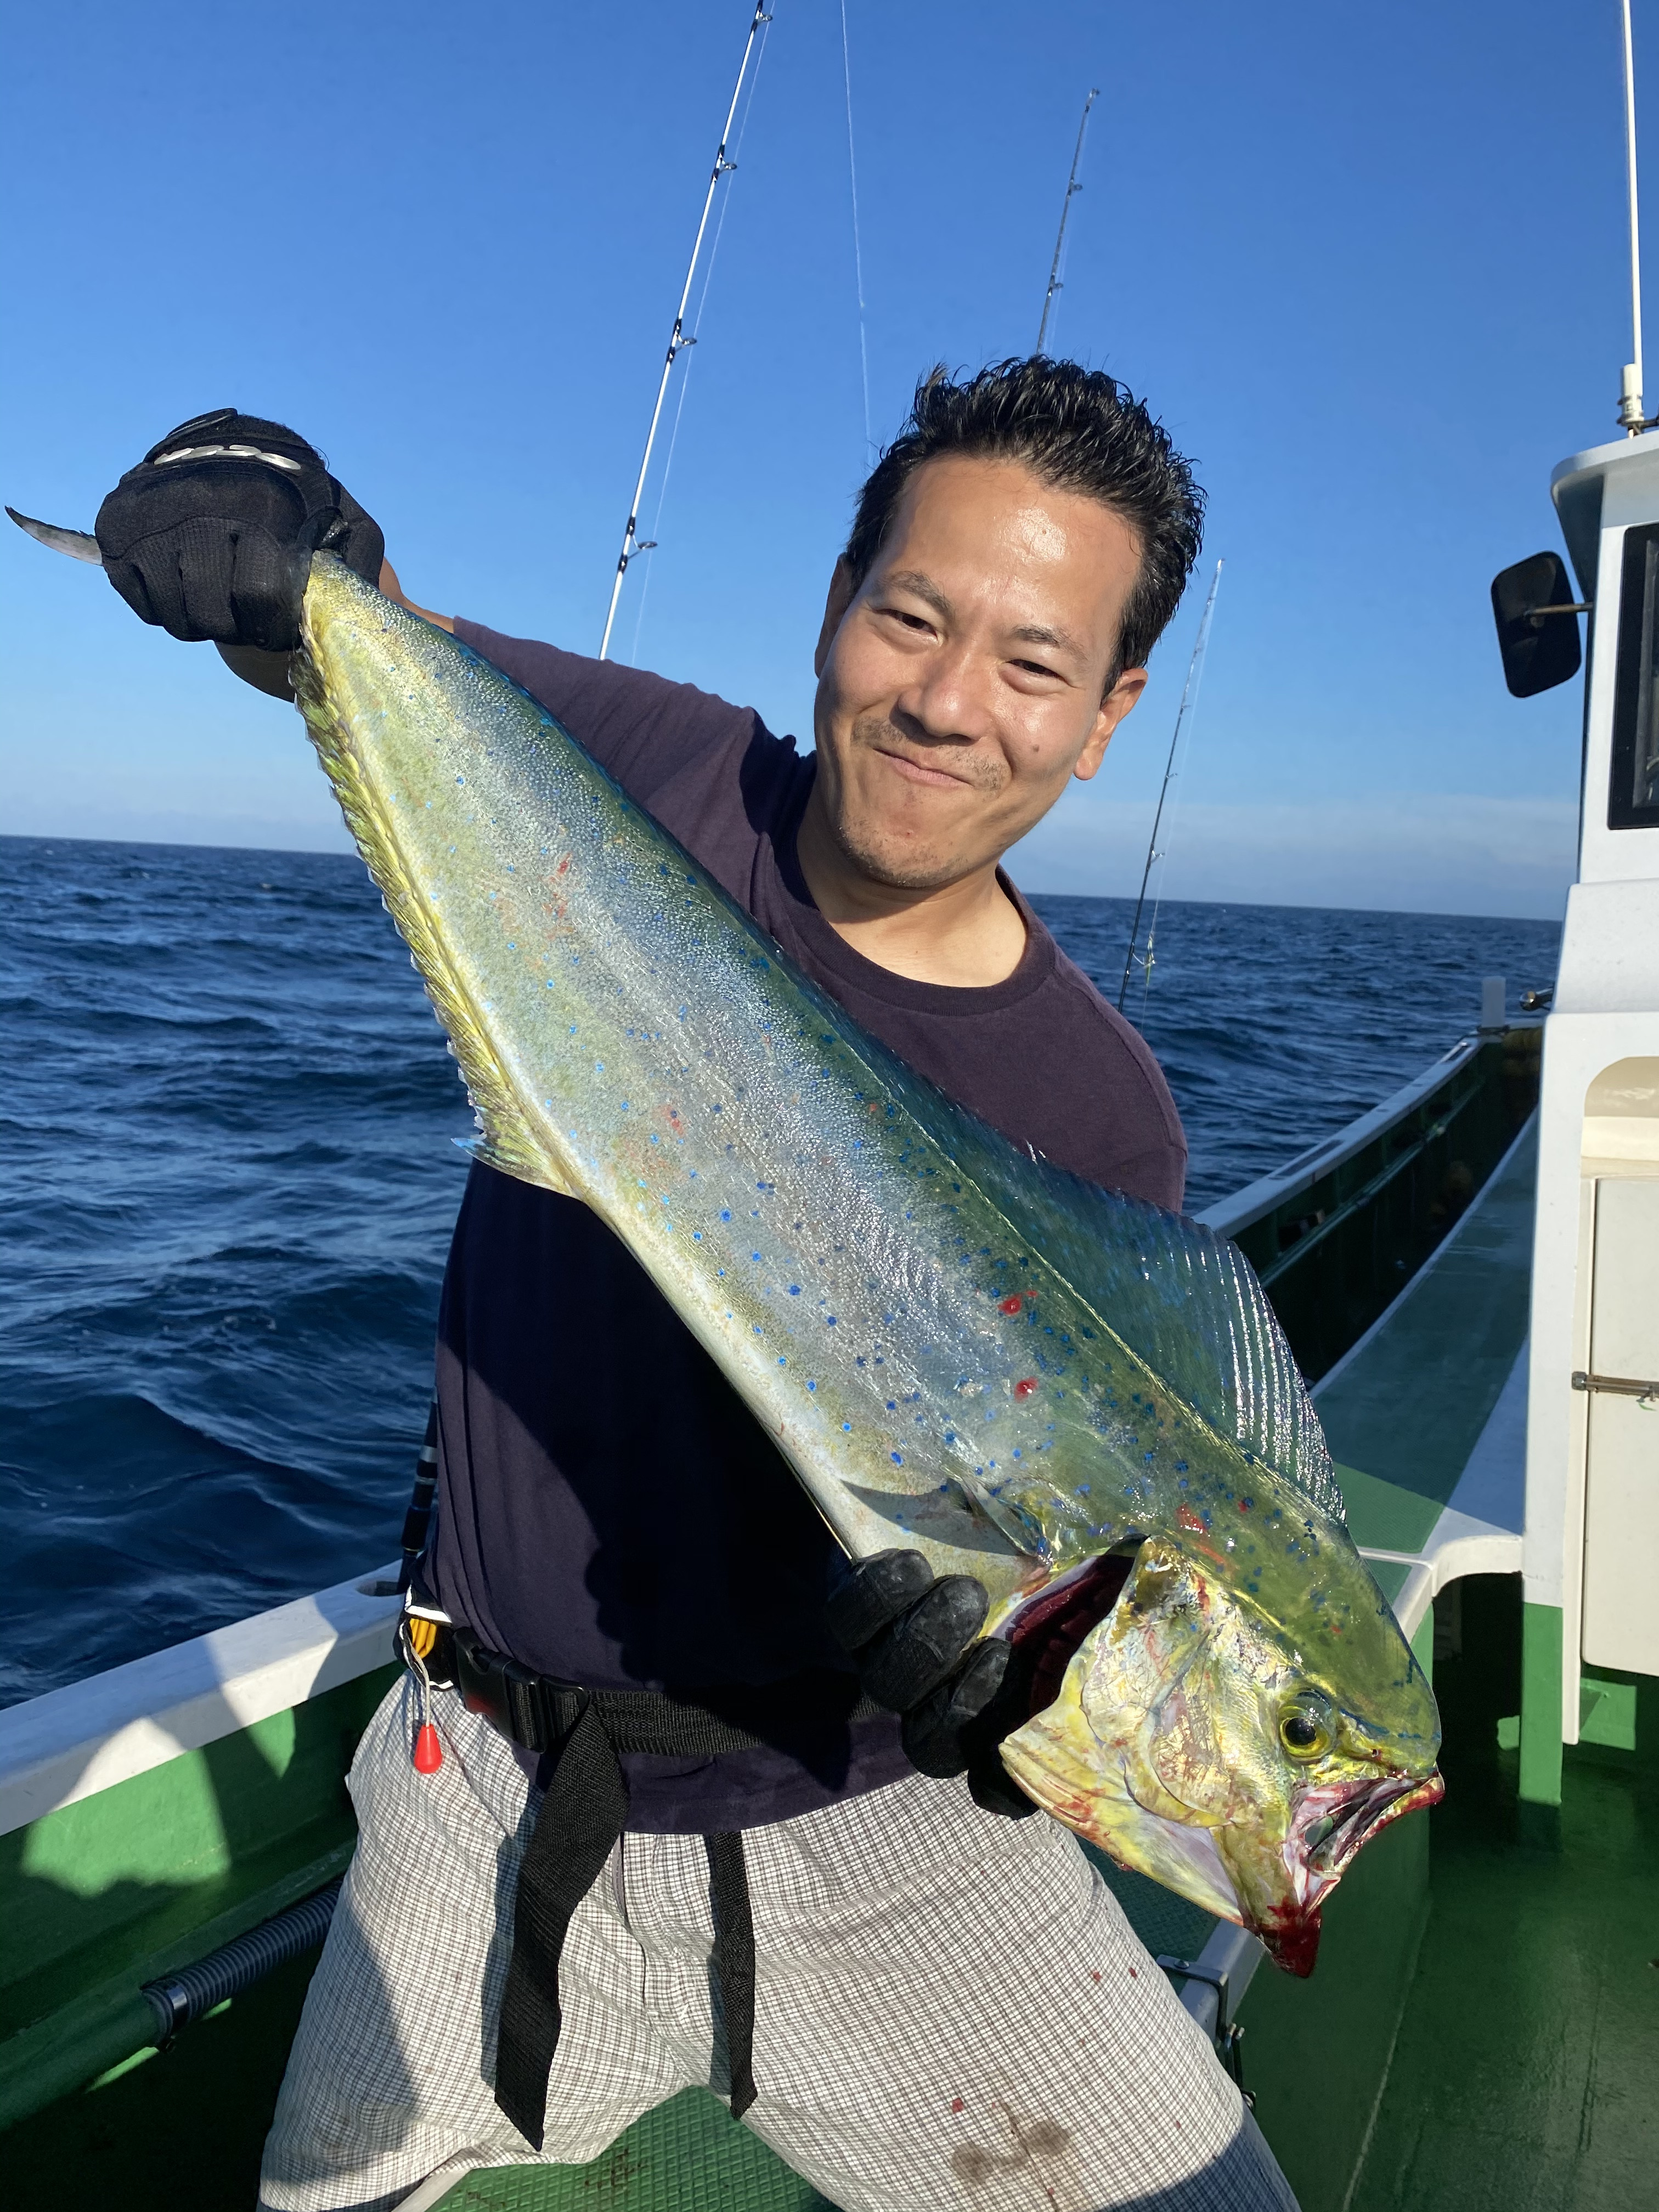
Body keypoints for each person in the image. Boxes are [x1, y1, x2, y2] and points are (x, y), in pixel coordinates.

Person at [94, 363, 1298, 2212]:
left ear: (1110, 714)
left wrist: (1003, 1693)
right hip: (482, 1789)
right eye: (911, 615)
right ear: (837, 602)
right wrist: (269, 513)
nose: (949, 704)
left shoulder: (1100, 1118)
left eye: (1035, 665)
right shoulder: (663, 771)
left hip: (888, 1832)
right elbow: (368, 635)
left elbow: (1076, 1528)